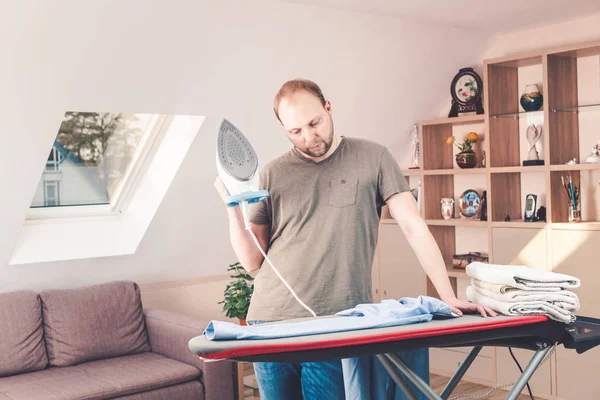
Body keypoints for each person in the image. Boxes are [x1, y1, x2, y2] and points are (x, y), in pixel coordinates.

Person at [214, 79, 497, 399]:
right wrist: (233, 209)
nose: (309, 137)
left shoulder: (372, 157)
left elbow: (414, 227)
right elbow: (253, 262)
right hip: (268, 321)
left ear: (328, 108)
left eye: (314, 123)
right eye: (296, 131)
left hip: (335, 320)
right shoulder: (270, 173)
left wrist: (447, 294)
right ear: (283, 129)